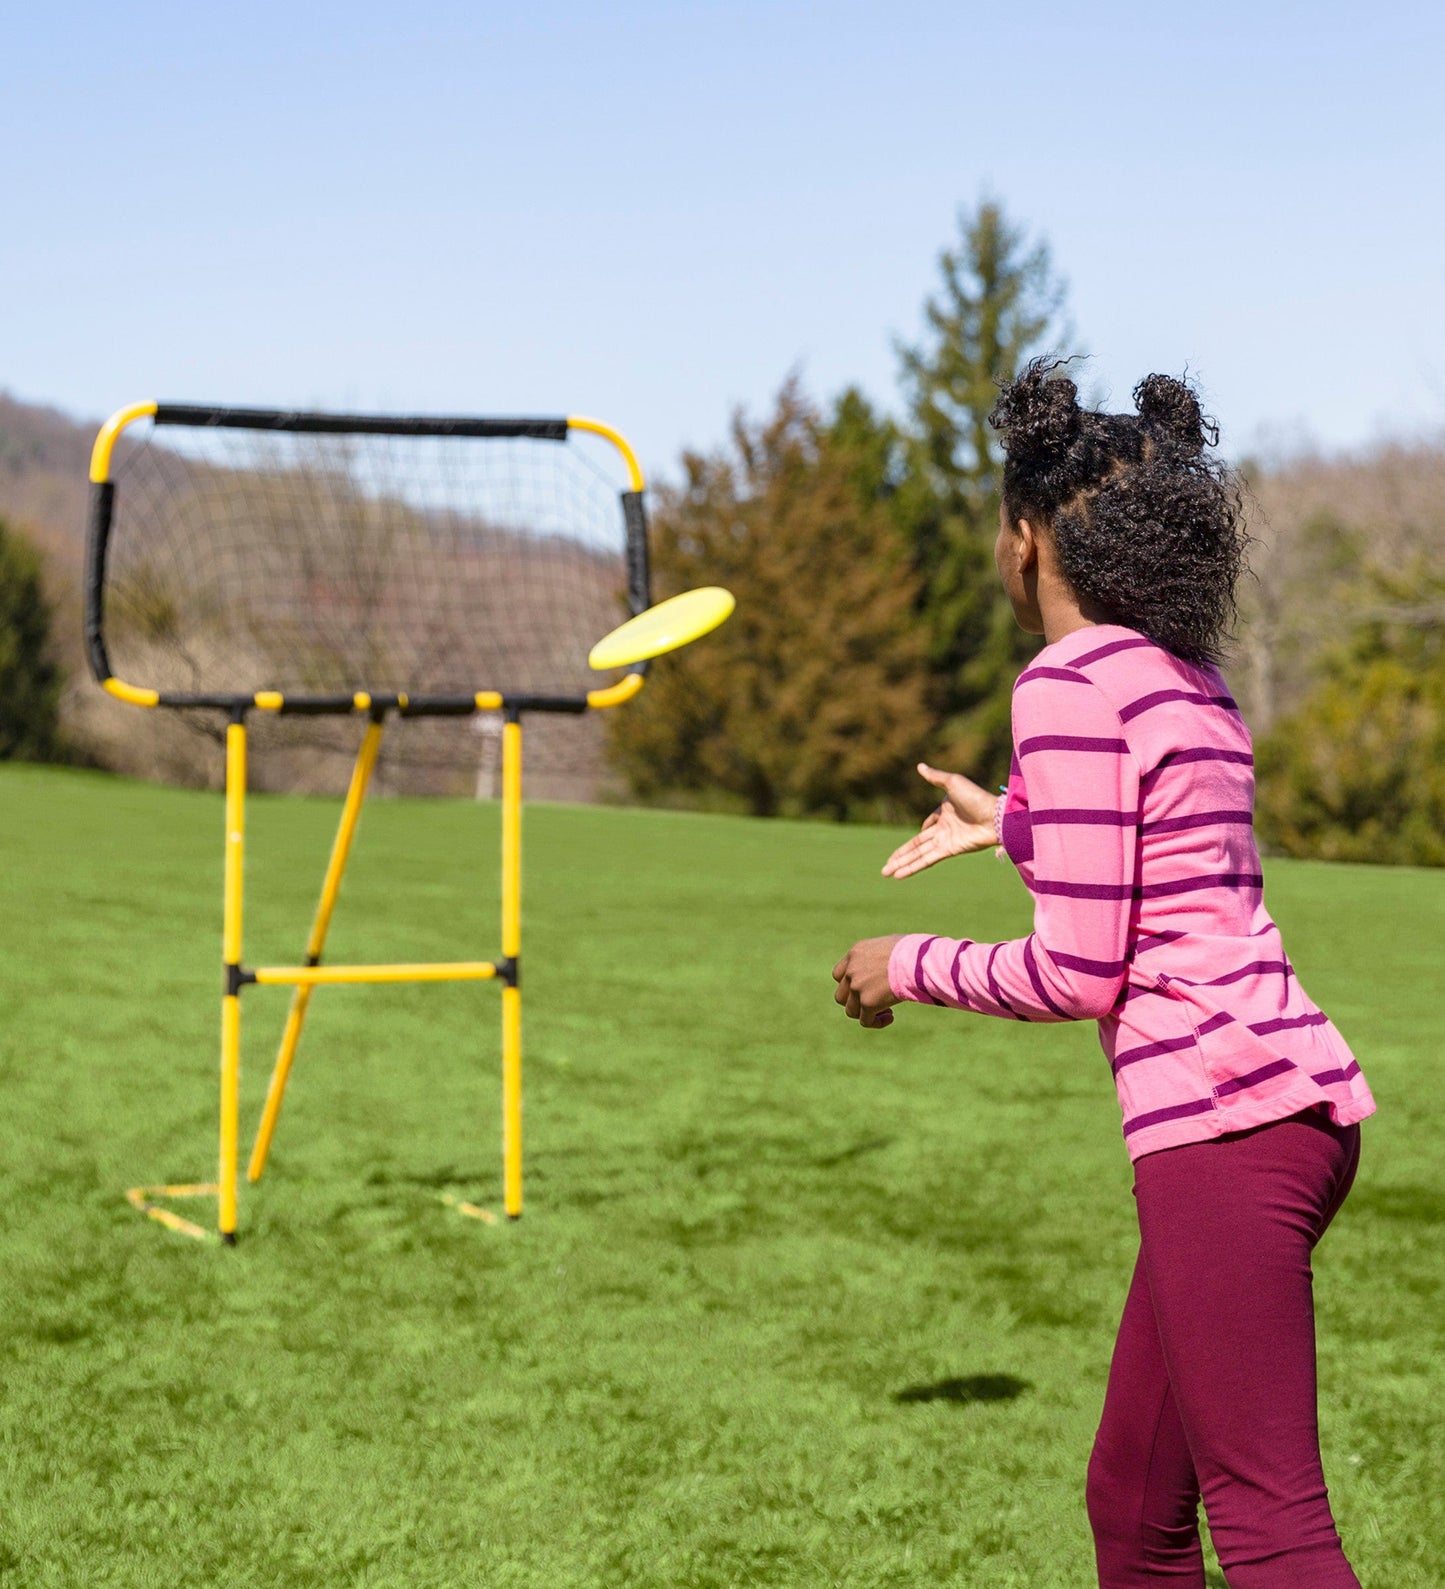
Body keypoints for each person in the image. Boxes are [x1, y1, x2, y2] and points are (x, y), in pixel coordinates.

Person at [831, 361, 1374, 1589]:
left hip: (1220, 1128)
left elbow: (1079, 967)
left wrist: (902, 963)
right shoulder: (1186, 677)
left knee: (1270, 1521)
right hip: (1293, 1109)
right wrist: (1011, 823)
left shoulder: (1064, 683)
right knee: (1131, 1504)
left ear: (1025, 541)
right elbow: (1167, 867)